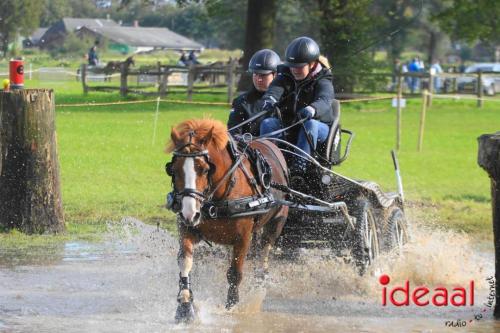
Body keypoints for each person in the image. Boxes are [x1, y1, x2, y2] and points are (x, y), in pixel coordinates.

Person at [258, 36, 335, 175]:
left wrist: (313, 109)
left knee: (309, 125)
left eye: (299, 67)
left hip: (318, 127)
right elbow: (274, 90)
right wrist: (269, 99)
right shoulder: (284, 75)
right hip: (290, 124)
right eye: (292, 66)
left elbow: (325, 100)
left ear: (312, 64)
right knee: (268, 123)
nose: (294, 70)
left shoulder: (323, 79)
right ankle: (266, 165)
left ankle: (299, 168)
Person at [227, 49, 281, 137]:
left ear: (275, 75)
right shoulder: (241, 102)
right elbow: (233, 133)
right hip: (248, 148)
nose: (259, 79)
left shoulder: (285, 100)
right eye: (256, 74)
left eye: (263, 75)